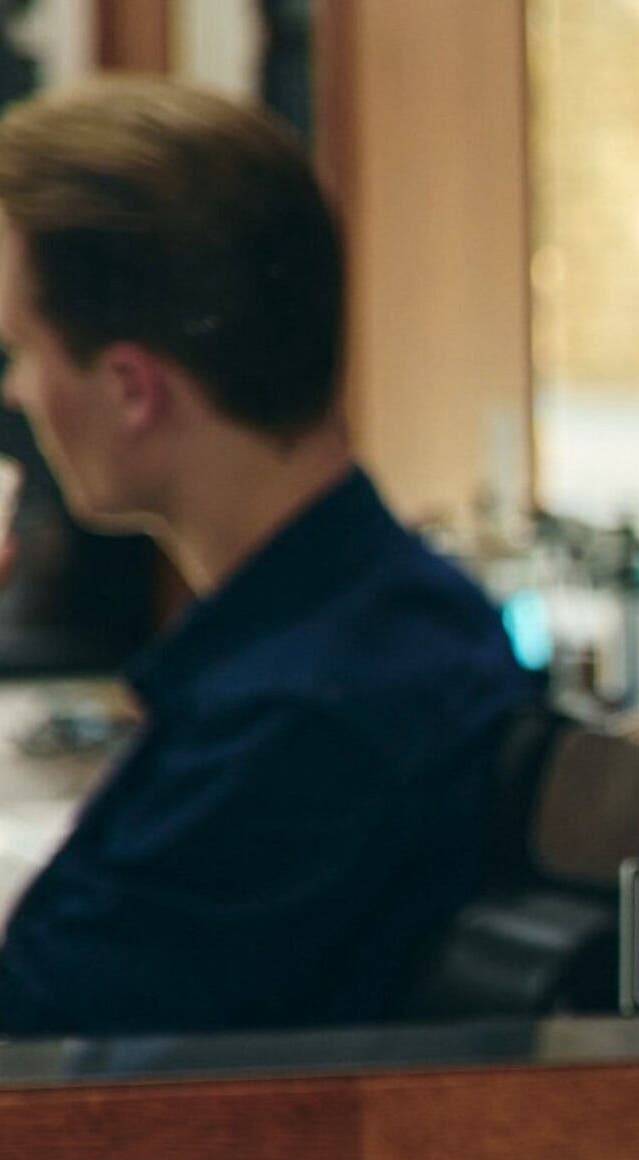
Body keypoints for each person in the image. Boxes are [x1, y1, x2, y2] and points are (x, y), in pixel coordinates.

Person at [0, 78, 537, 1035]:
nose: (20, 392)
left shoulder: (300, 717)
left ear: (130, 389)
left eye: (20, 352)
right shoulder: (389, 626)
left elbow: (34, 1051)